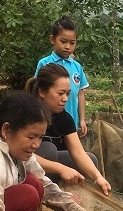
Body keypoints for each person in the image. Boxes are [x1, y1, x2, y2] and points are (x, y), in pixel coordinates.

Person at [0, 92, 111, 211]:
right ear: (6, 130)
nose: (36, 145)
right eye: (31, 137)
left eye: (40, 137)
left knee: (36, 184)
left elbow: (47, 185)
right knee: (28, 194)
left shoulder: (19, 152)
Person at [25, 63, 111, 196]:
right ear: (42, 91)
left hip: (47, 167)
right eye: (60, 93)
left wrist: (97, 177)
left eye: (68, 93)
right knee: (49, 149)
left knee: (90, 159)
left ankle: (60, 188)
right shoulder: (25, 113)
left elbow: (78, 153)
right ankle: (40, 191)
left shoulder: (64, 118)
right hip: (22, 167)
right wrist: (60, 169)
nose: (65, 99)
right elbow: (19, 154)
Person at [35, 15, 89, 136]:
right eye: (63, 41)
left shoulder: (77, 67)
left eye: (72, 43)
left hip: (71, 124)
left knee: (72, 153)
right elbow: (36, 92)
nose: (67, 46)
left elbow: (80, 93)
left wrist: (82, 119)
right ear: (52, 39)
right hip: (49, 123)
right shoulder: (44, 63)